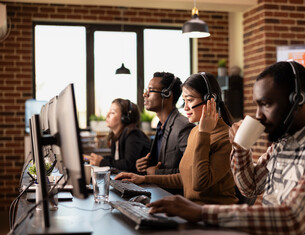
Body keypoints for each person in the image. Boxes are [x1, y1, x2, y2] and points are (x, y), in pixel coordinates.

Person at [146, 62, 305, 235]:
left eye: (266, 104)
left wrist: (201, 212)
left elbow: (293, 219)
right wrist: (240, 146)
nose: (258, 115)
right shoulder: (283, 144)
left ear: (297, 100)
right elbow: (249, 187)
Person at [116, 72, 238, 205]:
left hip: (214, 216)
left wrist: (204, 133)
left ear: (210, 99)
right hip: (193, 211)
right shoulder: (195, 132)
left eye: (190, 100)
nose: (185, 107)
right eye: (184, 101)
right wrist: (144, 178)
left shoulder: (225, 138)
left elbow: (199, 183)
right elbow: (185, 178)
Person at [136, 72, 194, 175]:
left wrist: (158, 173)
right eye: (146, 90)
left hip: (173, 191)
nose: (145, 94)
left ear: (167, 94)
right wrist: (145, 165)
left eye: (151, 90)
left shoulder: (183, 127)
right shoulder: (160, 126)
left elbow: (192, 171)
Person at [84, 98, 150, 173]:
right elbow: (116, 160)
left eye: (112, 113)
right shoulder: (116, 136)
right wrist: (97, 159)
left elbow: (129, 164)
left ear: (124, 118)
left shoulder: (133, 134)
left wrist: (102, 162)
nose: (107, 115)